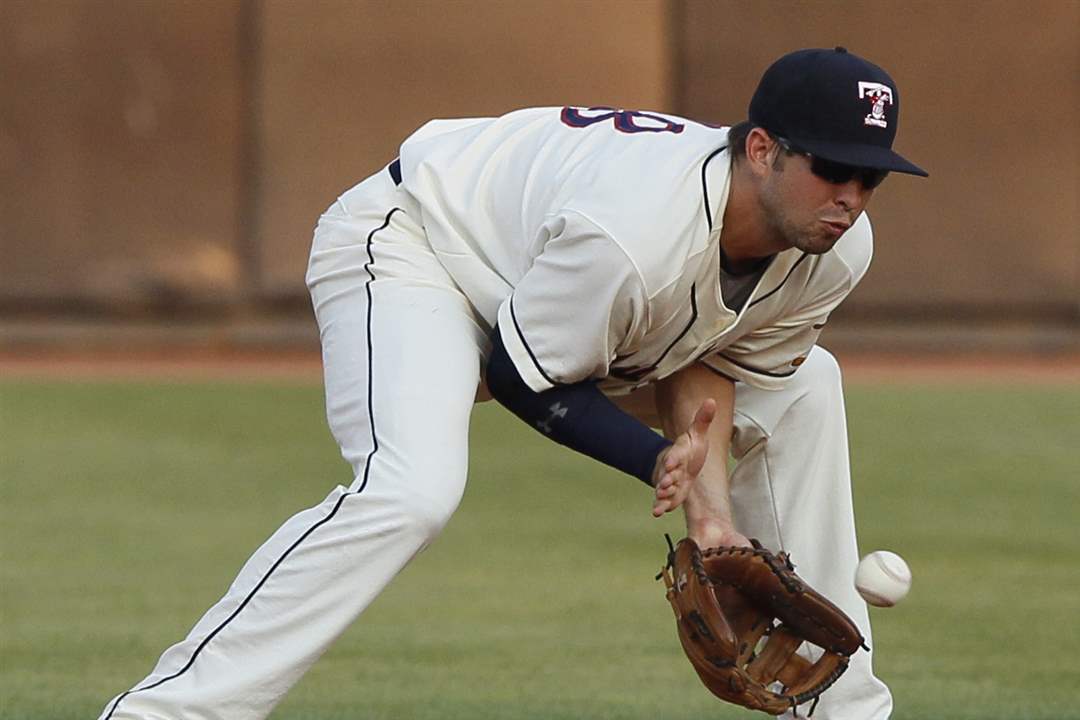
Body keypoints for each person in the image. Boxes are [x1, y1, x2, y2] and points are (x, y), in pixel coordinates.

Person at [99, 47, 926, 720]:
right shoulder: (636, 232)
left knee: (806, 387)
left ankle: (845, 714)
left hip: (573, 296)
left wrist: (712, 522)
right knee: (412, 489)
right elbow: (522, 378)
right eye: (831, 167)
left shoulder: (833, 253)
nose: (850, 197)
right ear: (761, 149)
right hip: (420, 250)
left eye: (871, 176)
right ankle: (167, 714)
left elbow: (710, 358)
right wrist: (650, 460)